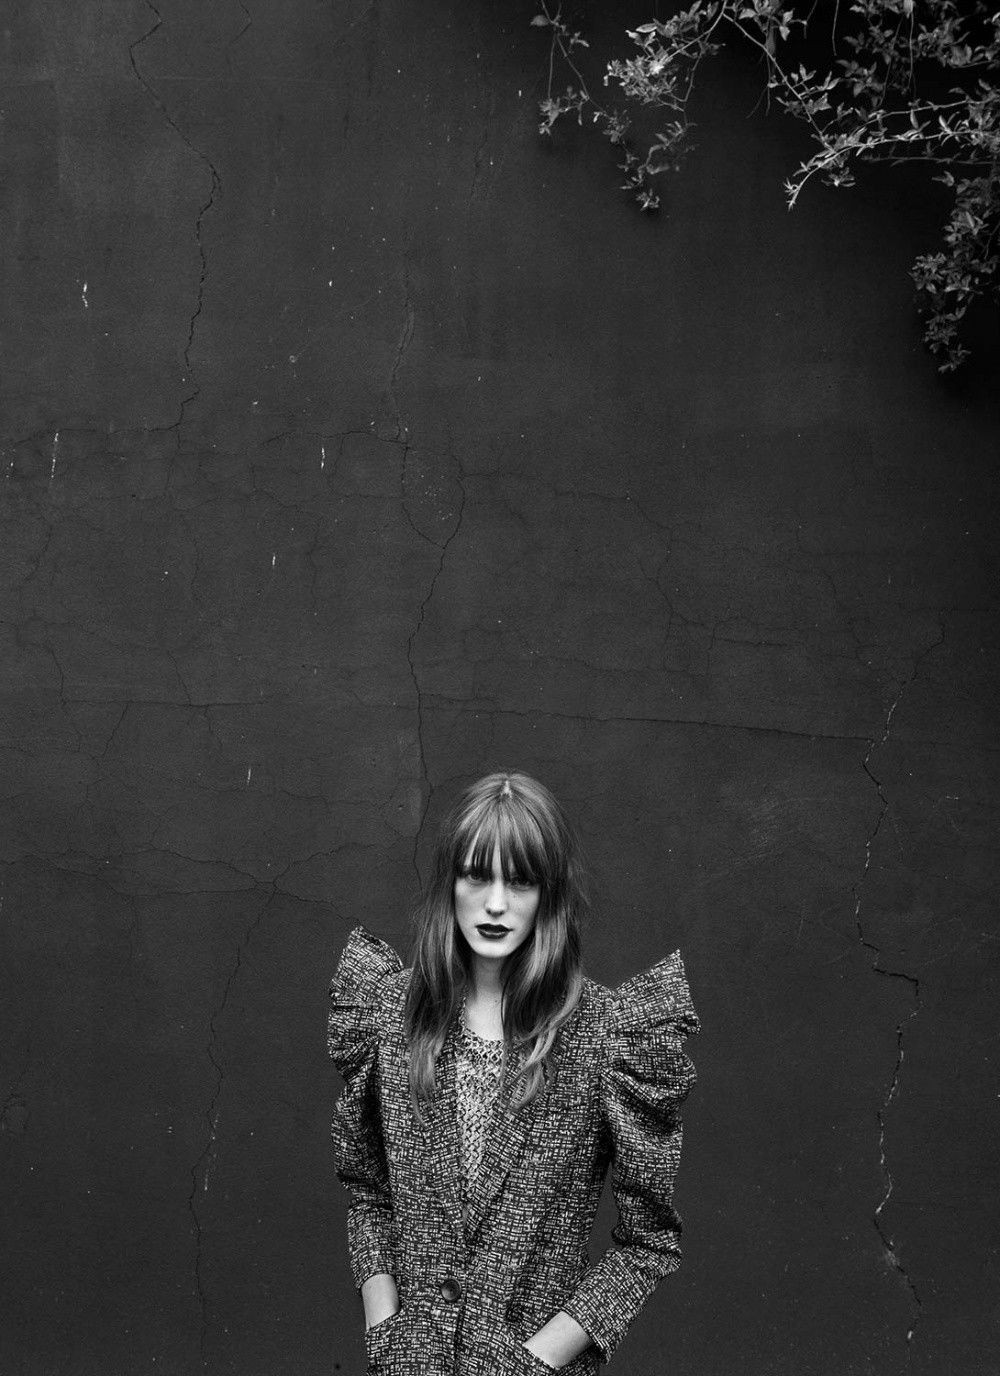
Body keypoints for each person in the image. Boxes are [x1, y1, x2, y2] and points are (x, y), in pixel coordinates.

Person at [327, 771, 700, 1375]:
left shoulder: (607, 1038)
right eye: (477, 875)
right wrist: (385, 1328)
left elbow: (648, 1242)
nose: (496, 904)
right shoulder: (391, 1015)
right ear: (450, 882)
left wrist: (536, 1361)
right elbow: (368, 1189)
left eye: (520, 880)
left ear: (548, 894)